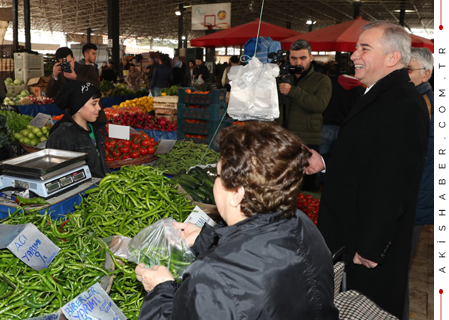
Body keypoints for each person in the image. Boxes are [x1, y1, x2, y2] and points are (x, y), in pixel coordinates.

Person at [135, 122, 338, 320]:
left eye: (217, 174)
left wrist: (161, 291)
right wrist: (205, 239)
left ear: (237, 194)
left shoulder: (210, 276)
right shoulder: (304, 224)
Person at [305, 21, 429, 318]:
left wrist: (372, 246)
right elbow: (370, 159)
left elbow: (395, 182)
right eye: (356, 47)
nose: (354, 55)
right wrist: (325, 163)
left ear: (392, 58)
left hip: (365, 243)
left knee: (368, 309)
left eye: (365, 48)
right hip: (352, 230)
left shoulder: (403, 104)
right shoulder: (378, 94)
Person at [277, 39, 331, 191]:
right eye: (294, 58)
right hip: (282, 139)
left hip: (307, 140)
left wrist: (292, 91)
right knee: (282, 184)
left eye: (303, 58)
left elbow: (319, 105)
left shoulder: (322, 80)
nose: (298, 62)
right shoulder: (281, 78)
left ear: (311, 57)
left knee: (306, 186)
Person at [45, 80, 109, 178]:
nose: (99, 108)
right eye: (94, 103)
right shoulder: (61, 137)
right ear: (78, 106)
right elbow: (59, 176)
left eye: (99, 103)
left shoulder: (95, 128)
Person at [408, 47, 433, 261]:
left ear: (426, 74)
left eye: (408, 70)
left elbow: (425, 154)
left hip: (417, 193)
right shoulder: (412, 99)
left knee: (402, 259)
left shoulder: (427, 104)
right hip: (413, 191)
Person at [320, 66, 365, 157]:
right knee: (341, 159)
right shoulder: (361, 90)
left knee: (321, 158)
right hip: (347, 129)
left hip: (327, 126)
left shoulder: (330, 84)